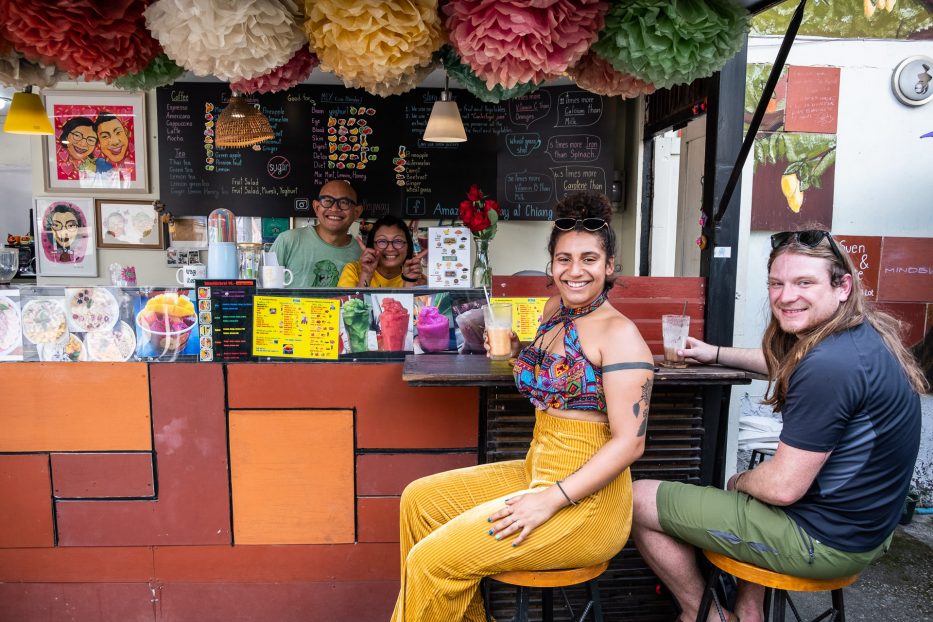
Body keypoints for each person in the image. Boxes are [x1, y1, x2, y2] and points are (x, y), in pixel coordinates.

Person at [631, 229, 926, 622]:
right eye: (776, 283)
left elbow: (783, 489)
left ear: (843, 287)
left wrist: (740, 482)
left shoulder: (829, 366)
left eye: (804, 282)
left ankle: (707, 614)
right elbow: (785, 364)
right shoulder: (858, 338)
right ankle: (750, 609)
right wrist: (715, 353)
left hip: (825, 542)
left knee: (637, 497)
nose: (786, 296)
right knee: (760, 489)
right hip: (868, 529)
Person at [391, 191, 655, 621]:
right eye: (564, 259)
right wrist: (518, 353)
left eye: (589, 259)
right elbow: (559, 376)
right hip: (538, 468)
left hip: (587, 504)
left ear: (609, 267)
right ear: (551, 264)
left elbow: (630, 445)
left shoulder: (620, 335)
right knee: (419, 500)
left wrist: (550, 499)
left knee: (431, 562)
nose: (575, 271)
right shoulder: (554, 311)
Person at [271, 179, 363, 288]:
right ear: (317, 207)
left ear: (357, 212)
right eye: (327, 201)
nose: (334, 208)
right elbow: (263, 293)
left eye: (344, 202)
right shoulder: (288, 241)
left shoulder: (362, 254)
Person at [337, 215, 426, 288]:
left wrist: (409, 281)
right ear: (372, 246)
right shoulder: (353, 270)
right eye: (382, 241)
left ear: (408, 246)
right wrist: (366, 274)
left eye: (398, 241)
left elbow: (412, 309)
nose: (390, 248)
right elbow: (350, 308)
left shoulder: (417, 278)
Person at [94, 112, 135, 184]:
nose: (115, 142)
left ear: (125, 132)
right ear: (98, 142)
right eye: (105, 136)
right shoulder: (96, 166)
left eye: (118, 132)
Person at [56, 116, 98, 181]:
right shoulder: (57, 160)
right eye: (77, 135)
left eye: (91, 140)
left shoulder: (99, 164)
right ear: (66, 136)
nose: (83, 144)